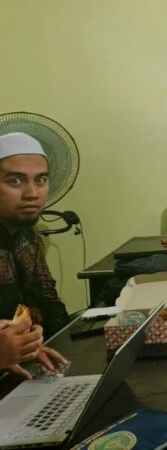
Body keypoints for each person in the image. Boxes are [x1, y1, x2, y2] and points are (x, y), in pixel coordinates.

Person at [0, 132, 69, 378]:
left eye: (41, 179)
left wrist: (33, 346)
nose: (32, 193)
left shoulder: (29, 236)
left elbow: (48, 303)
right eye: (15, 181)